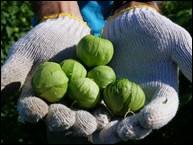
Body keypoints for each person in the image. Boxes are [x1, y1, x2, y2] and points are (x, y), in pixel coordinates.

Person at [1, 1, 192, 144]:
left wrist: (138, 9)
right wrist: (58, 10)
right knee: (63, 126)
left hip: (125, 36)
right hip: (61, 45)